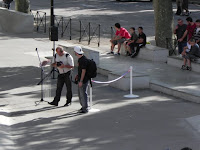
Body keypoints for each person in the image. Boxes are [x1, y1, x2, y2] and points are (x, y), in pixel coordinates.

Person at [74, 46, 89, 113]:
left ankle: (85, 108)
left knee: (83, 94)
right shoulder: (82, 58)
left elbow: (83, 71)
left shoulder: (82, 60)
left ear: (76, 52)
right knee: (81, 93)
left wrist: (81, 81)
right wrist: (78, 75)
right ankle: (83, 106)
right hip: (82, 78)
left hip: (83, 80)